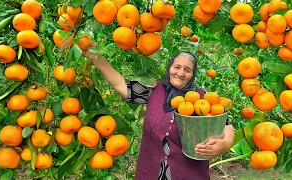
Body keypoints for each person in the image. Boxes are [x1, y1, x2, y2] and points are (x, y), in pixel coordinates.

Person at [83, 49, 235, 180]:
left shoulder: (202, 97)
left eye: (187, 70)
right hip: (150, 171)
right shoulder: (154, 90)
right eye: (177, 67)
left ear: (193, 74)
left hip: (188, 173)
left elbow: (225, 124)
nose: (180, 73)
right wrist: (96, 58)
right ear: (170, 67)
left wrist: (225, 144)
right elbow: (120, 85)